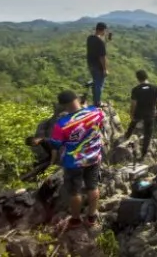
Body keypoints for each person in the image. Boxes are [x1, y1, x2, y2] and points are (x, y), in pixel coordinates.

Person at [42, 90, 106, 229]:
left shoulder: (61, 124)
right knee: (93, 186)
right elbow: (100, 125)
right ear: (77, 98)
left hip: (73, 163)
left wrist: (53, 161)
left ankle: (76, 220)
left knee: (75, 191)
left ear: (63, 106)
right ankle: (91, 217)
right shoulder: (96, 112)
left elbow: (56, 144)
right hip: (93, 157)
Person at [124, 70, 157, 159]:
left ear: (138, 78)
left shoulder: (136, 89)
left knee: (132, 125)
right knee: (148, 134)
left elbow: (133, 104)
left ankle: (126, 137)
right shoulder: (155, 88)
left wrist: (131, 114)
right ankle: (143, 154)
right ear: (146, 77)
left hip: (138, 113)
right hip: (150, 114)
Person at [86, 22, 111, 107]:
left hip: (91, 65)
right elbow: (102, 57)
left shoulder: (90, 38)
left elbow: (98, 46)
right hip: (98, 67)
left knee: (96, 82)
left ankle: (95, 99)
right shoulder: (100, 42)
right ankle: (97, 103)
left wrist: (104, 40)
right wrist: (105, 69)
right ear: (103, 30)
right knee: (99, 85)